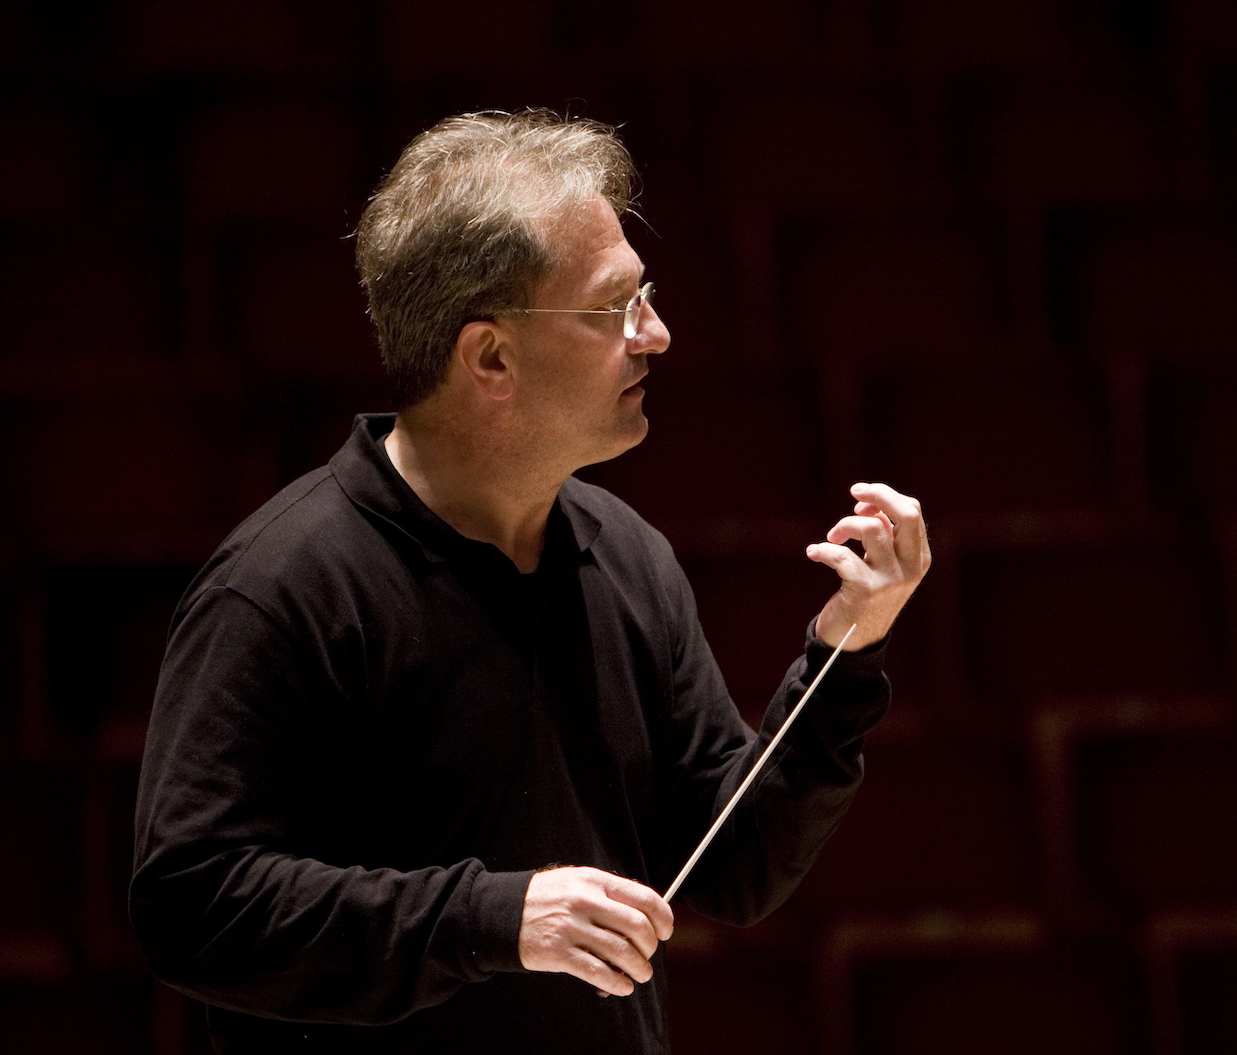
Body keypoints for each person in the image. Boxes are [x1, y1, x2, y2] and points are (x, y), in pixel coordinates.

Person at [130, 109, 929, 1055]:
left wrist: (849, 645)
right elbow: (191, 904)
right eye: (614, 307)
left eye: (649, 294)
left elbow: (734, 865)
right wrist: (495, 918)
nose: (658, 334)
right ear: (492, 356)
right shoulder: (283, 586)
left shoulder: (626, 555)